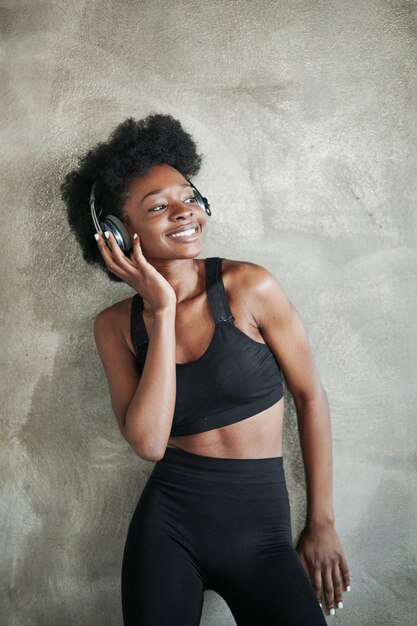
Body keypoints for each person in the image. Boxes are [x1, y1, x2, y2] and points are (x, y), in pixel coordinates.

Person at [60, 112, 350, 625]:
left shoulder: (249, 287)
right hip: (168, 529)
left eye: (188, 196)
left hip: (264, 536)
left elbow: (310, 397)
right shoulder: (115, 327)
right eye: (158, 207)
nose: (184, 212)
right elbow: (149, 443)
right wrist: (163, 311)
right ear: (117, 236)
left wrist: (322, 521)